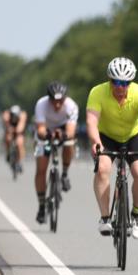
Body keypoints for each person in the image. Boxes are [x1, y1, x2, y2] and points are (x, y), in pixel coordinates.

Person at [86, 57, 138, 238]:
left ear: (130, 83)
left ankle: (137, 214)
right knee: (102, 169)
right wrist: (96, 142)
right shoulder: (97, 92)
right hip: (106, 136)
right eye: (116, 82)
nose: (120, 87)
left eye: (125, 83)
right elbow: (92, 121)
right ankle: (104, 218)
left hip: (134, 135)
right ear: (109, 80)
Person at [33, 81, 79, 224]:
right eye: (54, 101)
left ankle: (64, 174)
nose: (57, 105)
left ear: (65, 99)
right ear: (49, 99)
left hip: (63, 129)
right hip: (46, 130)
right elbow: (40, 129)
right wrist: (47, 136)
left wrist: (63, 135)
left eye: (60, 101)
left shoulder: (71, 106)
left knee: (69, 143)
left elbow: (71, 131)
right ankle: (41, 205)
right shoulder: (41, 104)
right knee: (41, 169)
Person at [1, 104, 28, 172]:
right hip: (10, 128)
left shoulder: (22, 115)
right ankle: (8, 153)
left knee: (19, 143)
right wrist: (9, 129)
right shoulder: (7, 115)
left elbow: (21, 126)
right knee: (8, 139)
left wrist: (17, 130)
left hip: (19, 130)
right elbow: (6, 124)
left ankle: (19, 161)